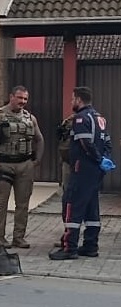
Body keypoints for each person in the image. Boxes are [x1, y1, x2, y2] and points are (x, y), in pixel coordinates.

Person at [0, 85, 45, 249]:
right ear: (11, 97)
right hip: (4, 165)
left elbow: (40, 139)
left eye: (25, 99)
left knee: (23, 204)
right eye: (19, 98)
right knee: (1, 203)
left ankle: (19, 238)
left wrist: (37, 160)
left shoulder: (30, 118)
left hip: (25, 165)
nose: (23, 101)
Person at [50, 86, 114, 260]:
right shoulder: (100, 118)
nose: (72, 102)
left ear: (79, 100)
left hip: (82, 170)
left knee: (73, 206)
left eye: (73, 99)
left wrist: (98, 159)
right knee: (92, 208)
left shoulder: (80, 118)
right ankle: (90, 246)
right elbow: (108, 143)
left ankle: (69, 248)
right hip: (96, 172)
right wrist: (104, 160)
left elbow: (85, 143)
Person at [52, 113, 75, 248]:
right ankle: (68, 234)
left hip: (79, 166)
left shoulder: (86, 121)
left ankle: (71, 237)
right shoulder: (68, 121)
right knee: (67, 201)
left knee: (72, 201)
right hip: (67, 164)